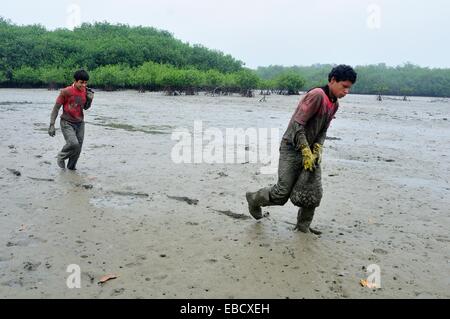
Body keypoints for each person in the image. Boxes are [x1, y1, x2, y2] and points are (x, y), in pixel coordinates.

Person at [245, 65, 357, 233]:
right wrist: (305, 150)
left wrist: (317, 149)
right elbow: (298, 124)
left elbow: (323, 130)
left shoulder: (334, 104)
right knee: (281, 194)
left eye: (349, 88)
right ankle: (254, 198)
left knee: (312, 191)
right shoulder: (317, 95)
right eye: (345, 86)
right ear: (333, 80)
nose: (347, 91)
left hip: (311, 151)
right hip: (292, 148)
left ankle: (303, 227)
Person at [48, 69, 94, 170]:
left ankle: (71, 169)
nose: (83, 85)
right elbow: (56, 108)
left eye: (86, 83)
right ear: (75, 80)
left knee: (78, 148)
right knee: (74, 143)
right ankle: (61, 156)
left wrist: (90, 99)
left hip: (80, 123)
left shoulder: (85, 91)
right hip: (67, 122)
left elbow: (85, 107)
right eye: (81, 82)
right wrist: (52, 125)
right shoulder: (66, 91)